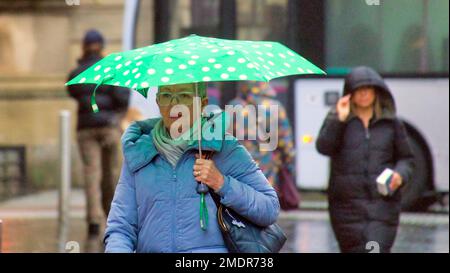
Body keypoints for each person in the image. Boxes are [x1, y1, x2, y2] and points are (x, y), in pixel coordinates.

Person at [104, 82, 280, 253]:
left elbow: (269, 208)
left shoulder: (225, 149)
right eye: (166, 95)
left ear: (202, 103)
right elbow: (121, 227)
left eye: (184, 96)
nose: (174, 104)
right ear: (157, 101)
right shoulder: (140, 153)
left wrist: (222, 183)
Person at [316, 66, 414, 253]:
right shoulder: (338, 119)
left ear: (377, 92)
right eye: (358, 90)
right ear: (349, 94)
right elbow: (323, 147)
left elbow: (406, 159)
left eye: (368, 89)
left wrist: (400, 175)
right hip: (346, 209)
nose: (363, 94)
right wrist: (339, 119)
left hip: (382, 207)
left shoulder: (392, 124)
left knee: (375, 249)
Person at [67, 29, 130, 237]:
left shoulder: (76, 73)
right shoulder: (111, 70)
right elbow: (122, 97)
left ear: (84, 46)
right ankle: (113, 216)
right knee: (113, 173)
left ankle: (94, 221)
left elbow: (72, 91)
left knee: (91, 174)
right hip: (109, 126)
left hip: (85, 128)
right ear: (101, 46)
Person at [227, 82, 295, 190]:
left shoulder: (233, 105)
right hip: (266, 166)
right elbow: (285, 140)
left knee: (242, 200)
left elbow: (227, 139)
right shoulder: (275, 106)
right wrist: (289, 163)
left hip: (240, 165)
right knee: (266, 199)